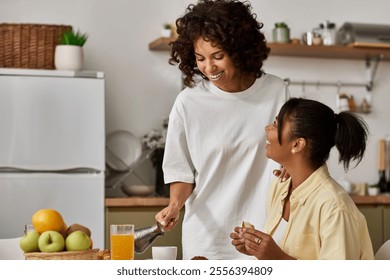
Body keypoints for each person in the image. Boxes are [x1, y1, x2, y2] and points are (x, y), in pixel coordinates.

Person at [155, 0, 289, 260]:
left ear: (239, 50)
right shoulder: (188, 103)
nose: (209, 68)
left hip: (264, 235)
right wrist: (174, 205)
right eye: (200, 58)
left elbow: (290, 153)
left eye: (218, 56)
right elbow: (180, 170)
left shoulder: (276, 91)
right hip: (208, 240)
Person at [230, 97, 374, 260]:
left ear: (297, 145)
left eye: (276, 124)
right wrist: (258, 250)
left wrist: (278, 259)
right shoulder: (281, 186)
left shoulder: (335, 208)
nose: (267, 128)